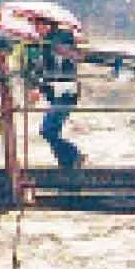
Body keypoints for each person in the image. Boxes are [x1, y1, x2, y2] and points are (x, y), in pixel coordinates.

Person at [27, 17, 85, 169]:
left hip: (66, 92)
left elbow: (61, 63)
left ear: (47, 24)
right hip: (56, 93)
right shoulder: (44, 43)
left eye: (38, 25)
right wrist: (37, 86)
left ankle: (74, 155)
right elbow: (40, 69)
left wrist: (39, 87)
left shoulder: (61, 37)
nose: (37, 29)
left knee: (47, 130)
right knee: (51, 130)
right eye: (35, 25)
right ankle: (67, 164)